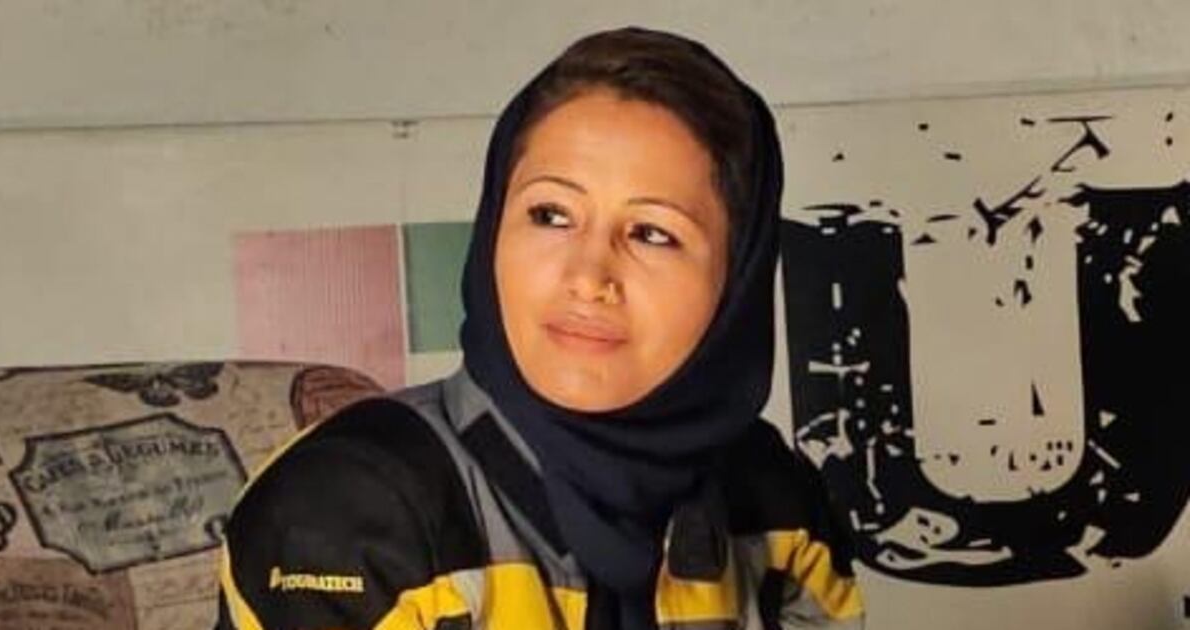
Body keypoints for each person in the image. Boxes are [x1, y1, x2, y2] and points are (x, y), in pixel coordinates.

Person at [216, 27, 863, 630]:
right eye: (551, 215)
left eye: (652, 233)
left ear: (737, 277)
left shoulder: (775, 500)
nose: (589, 276)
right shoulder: (349, 506)